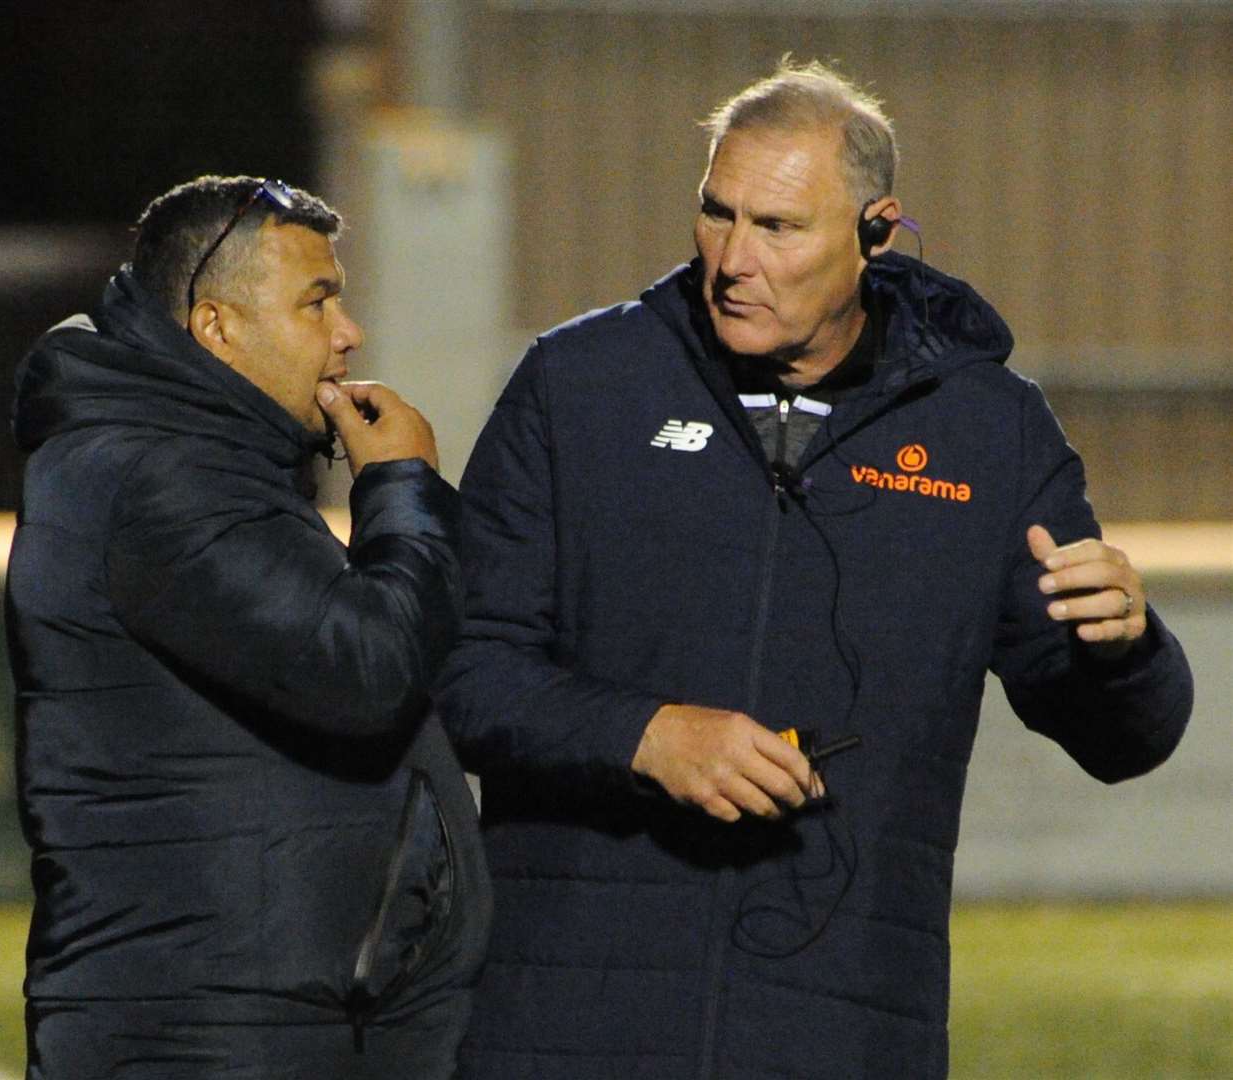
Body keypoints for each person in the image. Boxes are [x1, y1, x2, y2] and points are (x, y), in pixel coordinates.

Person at [436, 59, 1194, 1078]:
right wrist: (642, 736)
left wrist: (1126, 648)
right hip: (570, 1018)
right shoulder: (577, 388)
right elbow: (460, 670)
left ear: (874, 232)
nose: (730, 259)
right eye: (716, 215)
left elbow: (1118, 740)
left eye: (777, 228)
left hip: (841, 1026)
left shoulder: (989, 434)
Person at [5, 174, 490, 1079]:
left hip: (255, 1022)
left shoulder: (195, 462)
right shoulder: (160, 476)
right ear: (217, 327)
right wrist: (402, 489)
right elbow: (366, 671)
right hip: (208, 1032)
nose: (348, 335)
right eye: (317, 303)